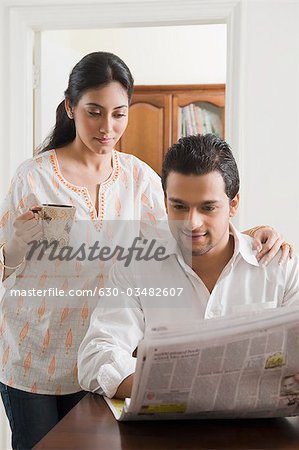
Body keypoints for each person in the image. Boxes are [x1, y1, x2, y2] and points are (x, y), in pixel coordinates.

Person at [0, 51, 290, 449]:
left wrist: (250, 233)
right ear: (70, 107)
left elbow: (184, 229)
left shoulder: (139, 176)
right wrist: (14, 246)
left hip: (112, 354)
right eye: (94, 112)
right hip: (36, 353)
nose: (108, 126)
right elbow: (7, 264)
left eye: (119, 113)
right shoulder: (32, 176)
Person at [78, 134, 299, 400]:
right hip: (167, 431)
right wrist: (182, 388)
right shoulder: (136, 268)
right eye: (179, 206)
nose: (192, 223)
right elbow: (95, 357)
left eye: (208, 207)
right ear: (165, 201)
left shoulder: (280, 266)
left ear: (233, 205)